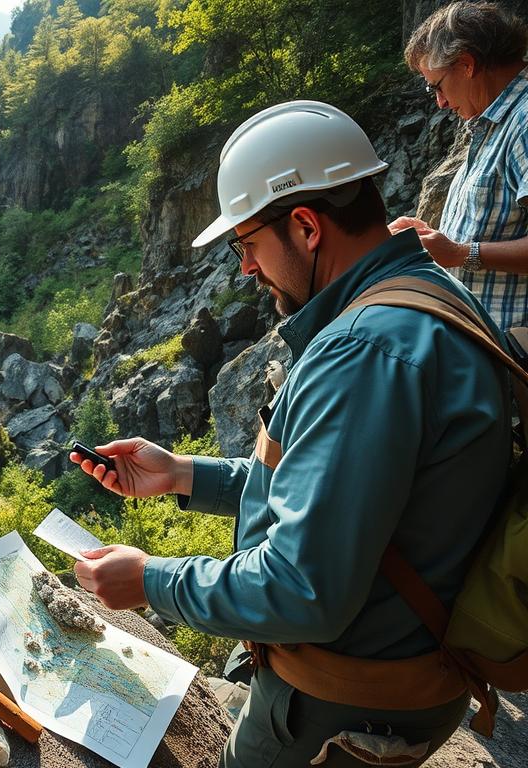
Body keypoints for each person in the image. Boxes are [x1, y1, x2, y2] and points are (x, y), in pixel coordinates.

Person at [70, 101, 512, 767]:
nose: (246, 267)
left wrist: (151, 581)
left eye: (248, 244)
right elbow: (343, 492)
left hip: (341, 707)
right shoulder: (428, 296)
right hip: (406, 675)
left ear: (306, 227)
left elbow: (302, 588)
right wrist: (184, 475)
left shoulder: (363, 352)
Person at [389, 1, 528, 331]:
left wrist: (461, 252)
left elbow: (466, 251)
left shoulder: (524, 122)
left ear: (466, 64)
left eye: (435, 85)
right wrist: (436, 237)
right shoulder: (492, 122)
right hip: (483, 344)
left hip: (512, 353)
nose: (439, 102)